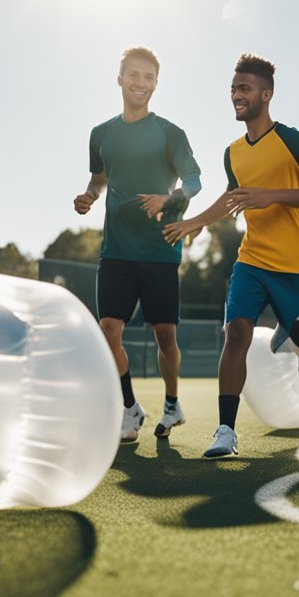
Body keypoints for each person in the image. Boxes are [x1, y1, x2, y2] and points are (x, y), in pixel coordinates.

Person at [162, 54, 299, 458]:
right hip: (253, 261)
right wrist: (196, 222)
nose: (236, 96)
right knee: (236, 333)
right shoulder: (233, 152)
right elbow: (232, 198)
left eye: (244, 89)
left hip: (297, 265)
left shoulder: (292, 139)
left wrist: (271, 195)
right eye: (233, 90)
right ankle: (226, 432)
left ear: (266, 94)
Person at [74, 46, 202, 444]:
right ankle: (130, 407)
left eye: (148, 77)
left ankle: (172, 403)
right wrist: (90, 195)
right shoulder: (101, 134)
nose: (140, 83)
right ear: (119, 79)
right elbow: (100, 178)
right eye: (133, 75)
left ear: (156, 84)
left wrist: (170, 200)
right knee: (108, 329)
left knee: (166, 337)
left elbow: (194, 181)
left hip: (160, 249)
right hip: (115, 250)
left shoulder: (170, 133)